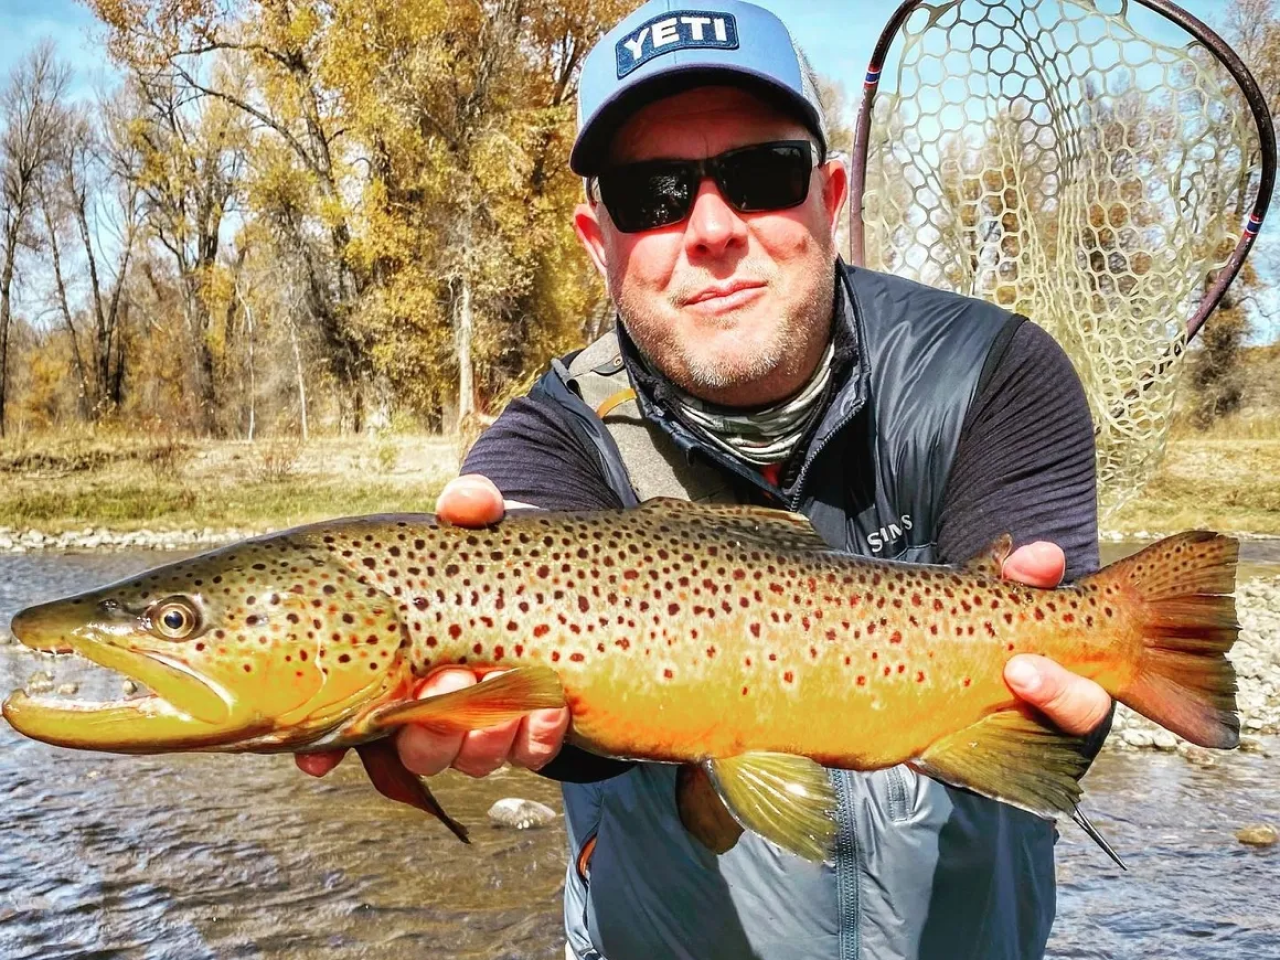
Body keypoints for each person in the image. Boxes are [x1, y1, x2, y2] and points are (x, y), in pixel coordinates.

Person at [300, 1, 1114, 957]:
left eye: (761, 175)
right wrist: (477, 698)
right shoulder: (548, 444)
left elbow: (1053, 708)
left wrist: (1075, 716)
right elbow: (545, 703)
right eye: (653, 194)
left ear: (832, 194)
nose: (713, 227)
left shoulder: (992, 370)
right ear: (596, 242)